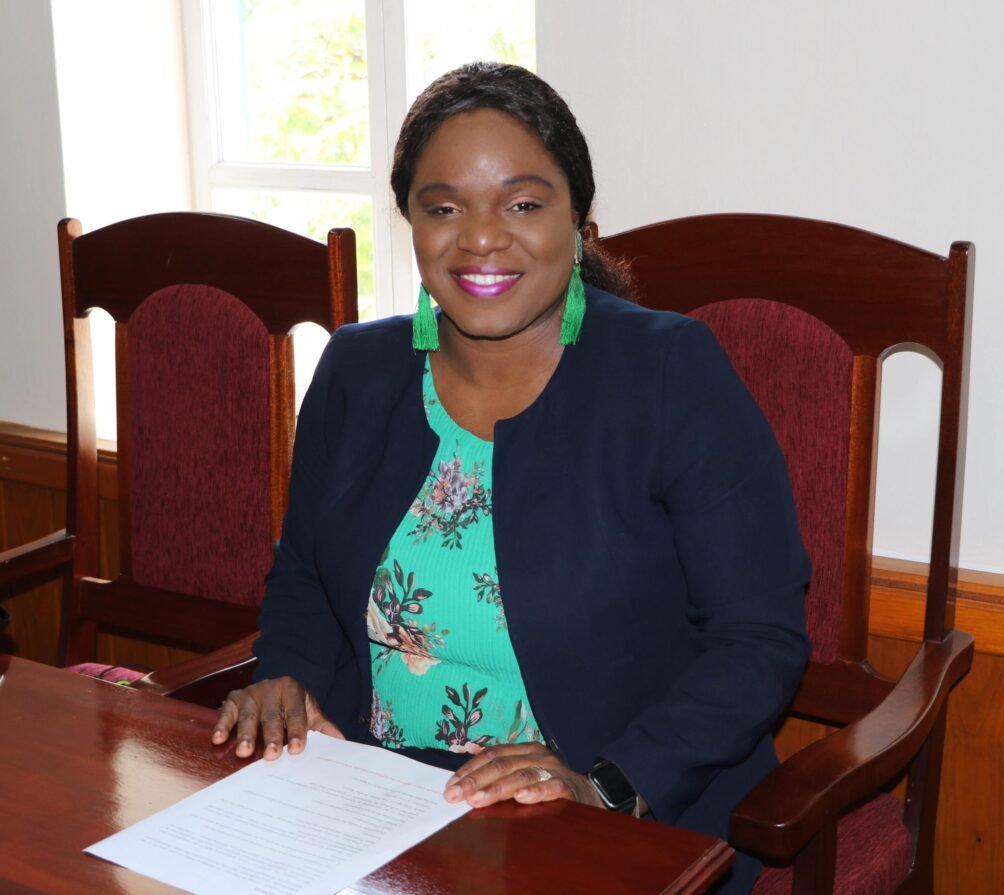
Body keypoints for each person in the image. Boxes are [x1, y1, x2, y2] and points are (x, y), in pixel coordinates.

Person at [212, 61, 810, 894]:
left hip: (606, 823)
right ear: (411, 222)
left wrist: (607, 782)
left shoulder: (670, 372)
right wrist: (288, 678)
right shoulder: (356, 369)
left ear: (580, 222)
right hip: (376, 809)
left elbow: (759, 639)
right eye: (443, 207)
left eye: (523, 204)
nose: (481, 237)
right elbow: (305, 574)